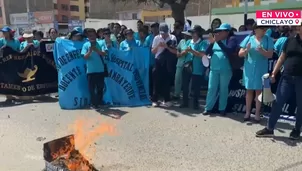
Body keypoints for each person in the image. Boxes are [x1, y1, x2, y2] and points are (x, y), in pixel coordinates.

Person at [256, 25, 302, 140]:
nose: (298, 27)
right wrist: (274, 73)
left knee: (301, 105)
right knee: (278, 102)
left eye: (300, 26)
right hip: (286, 76)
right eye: (298, 26)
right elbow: (282, 57)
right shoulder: (290, 40)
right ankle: (270, 128)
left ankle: (296, 130)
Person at [238, 24, 274, 122]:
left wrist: (262, 51)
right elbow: (240, 54)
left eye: (265, 29)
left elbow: (270, 54)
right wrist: (246, 50)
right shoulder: (248, 38)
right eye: (262, 29)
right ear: (255, 30)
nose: (264, 30)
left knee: (259, 91)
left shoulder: (268, 40)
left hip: (261, 69)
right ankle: (247, 112)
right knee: (249, 91)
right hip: (249, 68)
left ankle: (257, 113)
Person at [203, 23, 237, 116]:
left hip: (226, 69)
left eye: (221, 31)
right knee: (211, 88)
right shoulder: (215, 41)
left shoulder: (231, 39)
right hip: (214, 69)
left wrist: (219, 42)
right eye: (218, 31)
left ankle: (222, 109)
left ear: (227, 32)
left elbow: (229, 50)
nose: (218, 33)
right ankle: (208, 108)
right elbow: (207, 52)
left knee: (223, 89)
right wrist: (212, 43)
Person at [181, 25, 207, 109]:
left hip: (197, 68)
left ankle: (195, 104)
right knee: (185, 85)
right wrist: (185, 51)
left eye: (194, 32)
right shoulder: (188, 41)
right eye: (191, 32)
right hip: (187, 66)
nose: (192, 34)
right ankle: (185, 102)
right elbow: (183, 52)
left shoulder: (203, 43)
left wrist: (191, 50)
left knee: (196, 87)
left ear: (198, 33)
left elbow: (201, 54)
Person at [151, 23, 177, 107]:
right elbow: (153, 51)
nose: (163, 35)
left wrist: (166, 47)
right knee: (156, 80)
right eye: (162, 33)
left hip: (168, 61)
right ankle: (155, 99)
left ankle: (167, 99)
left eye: (165, 33)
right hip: (158, 60)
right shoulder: (156, 38)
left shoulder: (172, 38)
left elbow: (175, 51)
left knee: (166, 81)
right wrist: (159, 45)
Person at [81, 28, 107, 109]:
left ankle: (99, 103)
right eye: (90, 36)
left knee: (100, 88)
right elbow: (84, 57)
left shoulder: (101, 43)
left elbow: (104, 53)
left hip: (100, 70)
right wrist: (89, 51)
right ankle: (93, 103)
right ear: (88, 37)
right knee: (91, 89)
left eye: (93, 35)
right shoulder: (85, 45)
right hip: (90, 71)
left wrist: (96, 50)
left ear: (96, 35)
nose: (92, 37)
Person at [0, 26, 21, 103]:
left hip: (15, 64)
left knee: (15, 79)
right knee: (6, 80)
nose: (4, 33)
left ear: (9, 32)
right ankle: (9, 97)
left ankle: (15, 95)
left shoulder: (16, 41)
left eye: (5, 32)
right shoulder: (1, 41)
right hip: (5, 64)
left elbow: (19, 51)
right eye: (3, 32)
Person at [173, 31, 192, 99]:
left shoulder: (191, 41)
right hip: (180, 62)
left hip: (187, 63)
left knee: (187, 81)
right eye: (184, 34)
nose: (185, 36)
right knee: (177, 79)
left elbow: (187, 50)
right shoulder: (181, 41)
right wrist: (178, 53)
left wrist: (180, 54)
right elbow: (178, 48)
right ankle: (176, 94)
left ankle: (187, 95)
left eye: (187, 35)